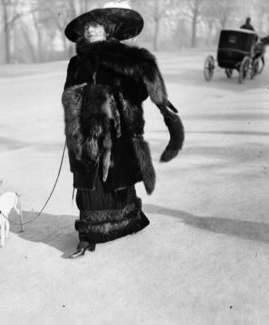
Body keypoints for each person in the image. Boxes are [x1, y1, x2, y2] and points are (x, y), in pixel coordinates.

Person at [62, 7, 184, 258]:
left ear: (107, 30)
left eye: (96, 26)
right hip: (86, 133)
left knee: (119, 178)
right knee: (91, 184)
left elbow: (142, 82)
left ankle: (128, 221)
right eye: (87, 27)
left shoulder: (123, 57)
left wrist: (162, 107)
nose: (91, 30)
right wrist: (85, 105)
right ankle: (88, 235)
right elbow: (69, 94)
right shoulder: (76, 63)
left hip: (118, 131)